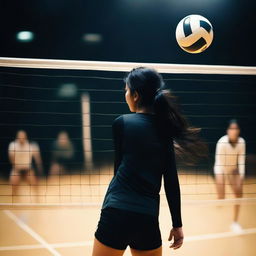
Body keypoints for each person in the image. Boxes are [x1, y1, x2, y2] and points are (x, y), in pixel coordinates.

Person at [92, 67, 206, 256]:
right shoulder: (165, 130)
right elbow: (171, 180)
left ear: (135, 95)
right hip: (147, 218)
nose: (125, 94)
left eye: (126, 90)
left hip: (116, 213)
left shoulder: (121, 123)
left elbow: (117, 169)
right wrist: (177, 224)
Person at [214, 119, 246, 233]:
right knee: (221, 197)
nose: (234, 131)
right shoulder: (222, 142)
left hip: (232, 169)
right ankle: (219, 199)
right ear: (228, 130)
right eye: (231, 128)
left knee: (239, 193)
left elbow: (241, 160)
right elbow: (220, 162)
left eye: (236, 128)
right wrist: (224, 178)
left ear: (239, 130)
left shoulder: (241, 142)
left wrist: (241, 177)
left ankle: (235, 222)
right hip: (220, 168)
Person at [8, 130, 43, 200]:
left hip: (27, 169)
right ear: (17, 137)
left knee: (35, 184)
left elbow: (37, 157)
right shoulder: (13, 145)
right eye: (20, 136)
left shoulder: (31, 145)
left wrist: (39, 167)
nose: (21, 138)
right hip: (17, 169)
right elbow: (11, 158)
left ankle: (38, 199)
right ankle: (14, 200)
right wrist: (16, 168)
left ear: (25, 137)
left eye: (23, 136)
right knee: (13, 184)